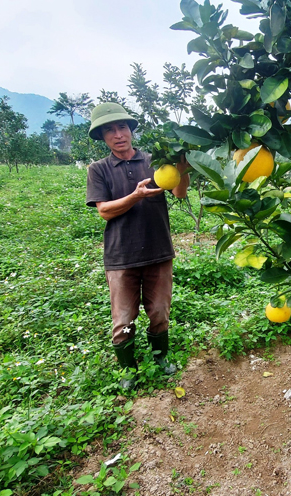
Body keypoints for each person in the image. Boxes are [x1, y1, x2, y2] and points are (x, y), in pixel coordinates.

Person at [85, 103, 189, 390]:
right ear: (103, 137)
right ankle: (128, 369)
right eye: (110, 130)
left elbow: (178, 193)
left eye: (122, 127)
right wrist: (136, 195)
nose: (118, 135)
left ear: (130, 130)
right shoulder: (99, 169)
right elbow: (104, 211)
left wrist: (183, 168)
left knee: (158, 310)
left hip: (158, 251)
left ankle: (160, 356)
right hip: (121, 257)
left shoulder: (154, 161)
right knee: (124, 318)